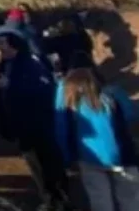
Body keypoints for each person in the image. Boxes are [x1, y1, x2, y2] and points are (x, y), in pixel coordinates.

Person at [0, 28, 70, 210]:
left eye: (2, 43)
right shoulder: (4, 64)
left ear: (15, 46)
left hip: (38, 124)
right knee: (34, 164)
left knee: (48, 163)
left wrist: (9, 86)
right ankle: (49, 197)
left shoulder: (32, 64)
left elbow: (43, 91)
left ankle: (57, 198)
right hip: (20, 125)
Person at [54, 56, 139, 211]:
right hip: (122, 156)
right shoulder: (113, 94)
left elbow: (62, 130)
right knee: (129, 198)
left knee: (99, 199)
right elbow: (131, 116)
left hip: (88, 158)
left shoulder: (68, 97)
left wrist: (67, 159)